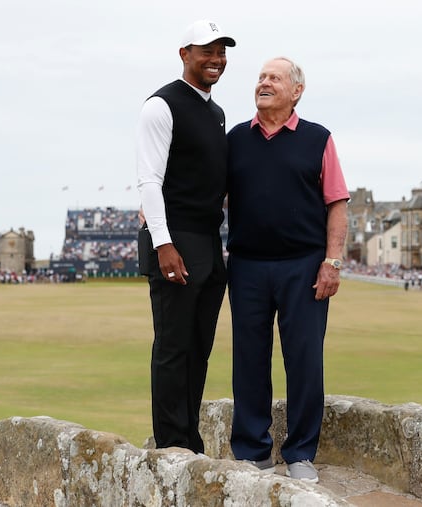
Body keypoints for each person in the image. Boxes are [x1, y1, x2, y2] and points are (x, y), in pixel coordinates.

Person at [226, 56, 350, 483]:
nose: (263, 83)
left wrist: (331, 262)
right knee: (249, 360)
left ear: (296, 90)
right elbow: (208, 195)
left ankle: (300, 454)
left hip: (304, 266)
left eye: (273, 78)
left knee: (304, 361)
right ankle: (252, 452)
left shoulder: (318, 139)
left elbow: (337, 202)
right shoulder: (235, 140)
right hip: (246, 266)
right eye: (260, 78)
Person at [135, 19, 235, 454]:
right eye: (206, 51)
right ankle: (171, 443)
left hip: (208, 240)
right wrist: (164, 243)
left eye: (221, 51)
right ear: (184, 55)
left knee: (199, 347)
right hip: (175, 238)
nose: (216, 59)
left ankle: (189, 436)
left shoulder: (216, 113)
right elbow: (149, 181)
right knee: (174, 346)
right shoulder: (161, 106)